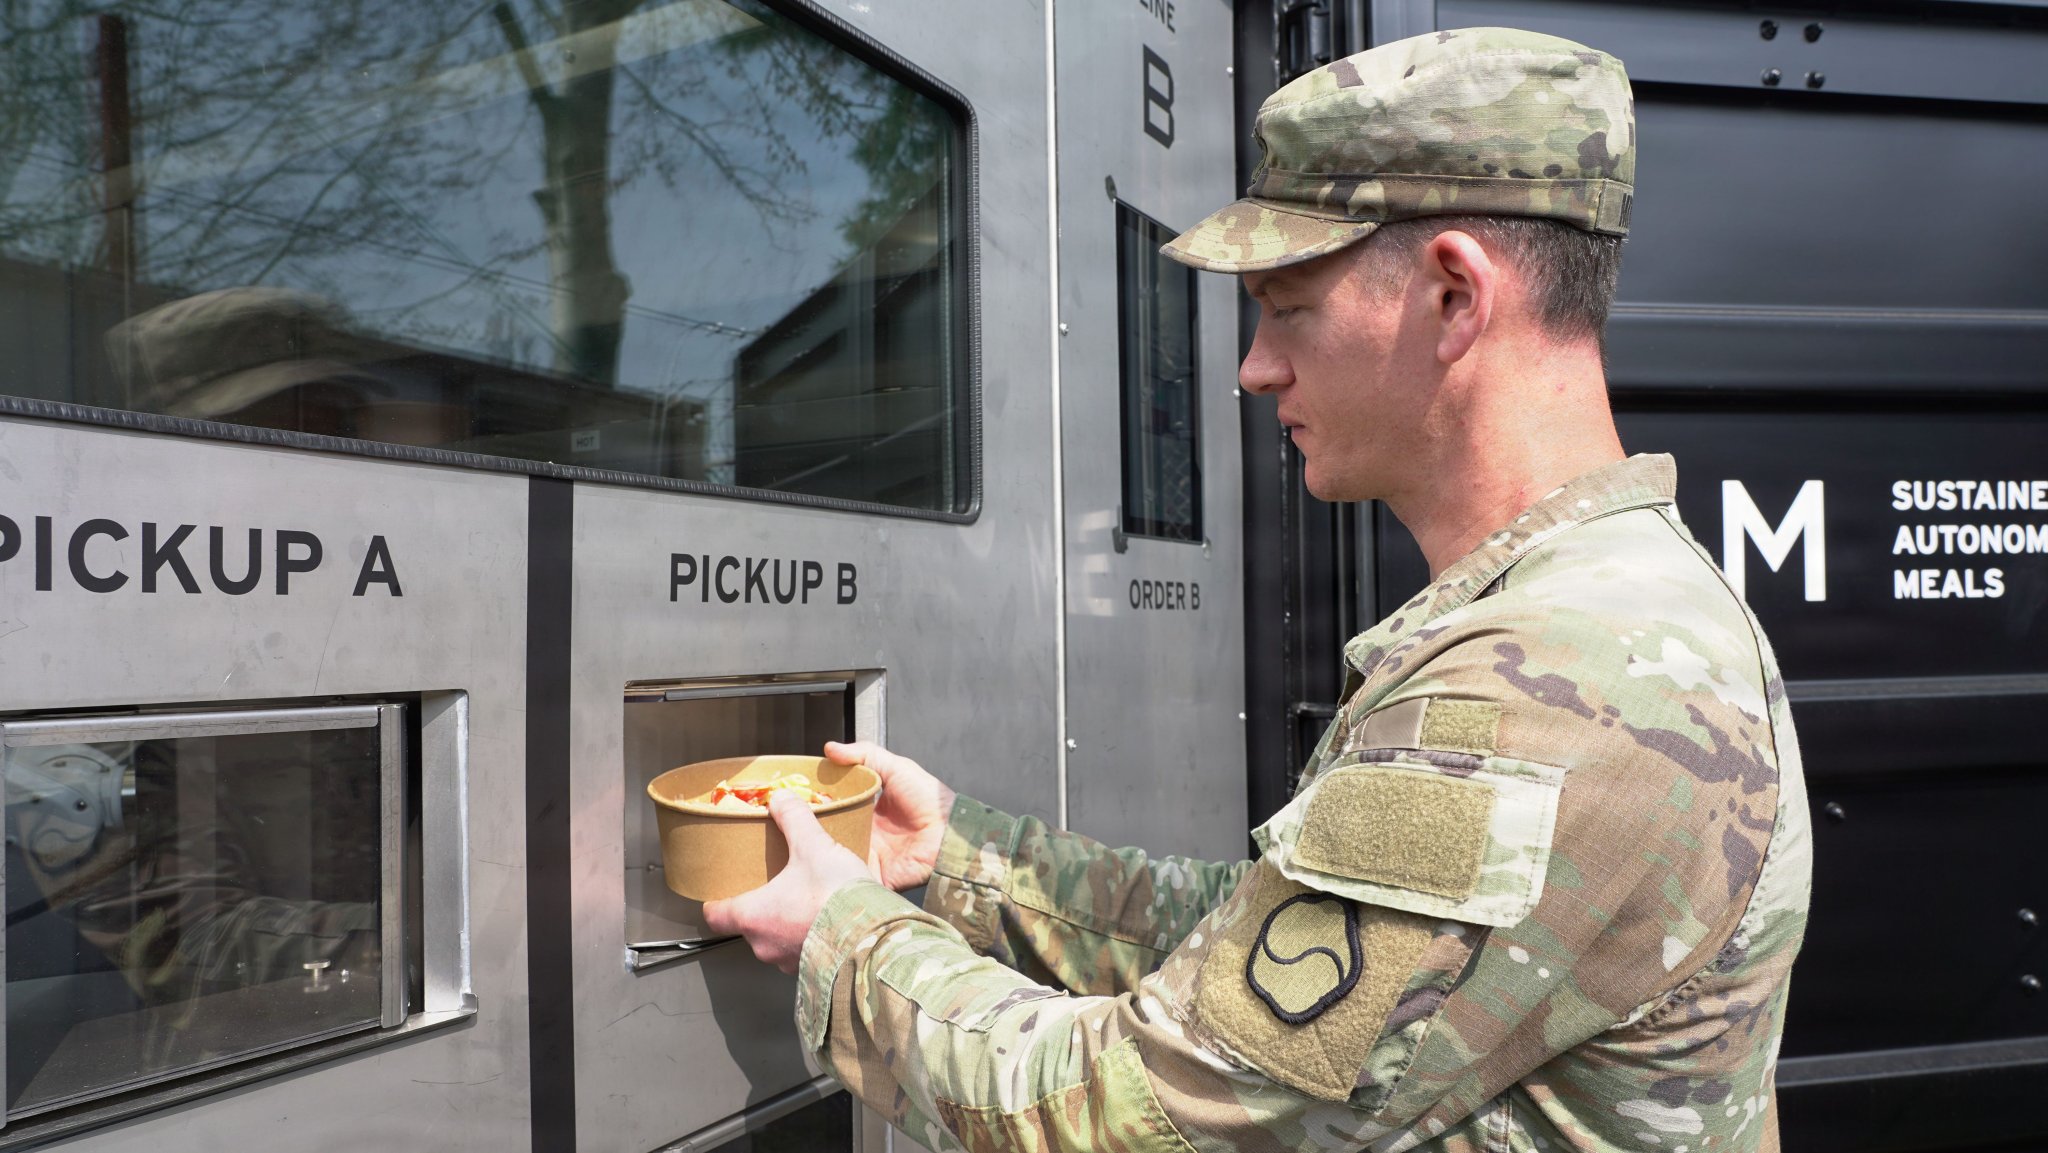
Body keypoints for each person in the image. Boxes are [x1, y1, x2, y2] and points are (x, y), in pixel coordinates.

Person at [705, 27, 1811, 1152]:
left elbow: (1142, 1121)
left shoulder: (1553, 684)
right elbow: (1284, 959)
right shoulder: (1607, 610)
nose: (1252, 366)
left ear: (1449, 297)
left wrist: (841, 938)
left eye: (1287, 305)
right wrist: (956, 863)